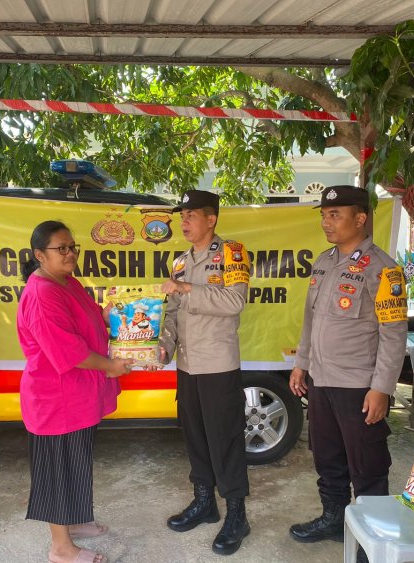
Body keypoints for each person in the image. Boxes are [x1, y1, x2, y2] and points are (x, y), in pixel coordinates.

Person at [288, 185, 408, 544]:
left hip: (359, 386)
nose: (327, 222)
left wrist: (382, 388)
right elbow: (310, 321)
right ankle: (334, 520)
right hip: (322, 382)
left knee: (368, 465)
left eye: (335, 215)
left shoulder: (384, 270)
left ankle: (374, 537)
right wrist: (301, 363)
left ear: (361, 218)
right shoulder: (323, 263)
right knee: (327, 458)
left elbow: (394, 333)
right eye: (324, 215)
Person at [17, 220, 134, 563]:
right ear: (39, 255)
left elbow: (86, 320)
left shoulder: (67, 282)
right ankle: (61, 548)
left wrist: (108, 313)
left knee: (78, 462)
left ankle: (77, 521)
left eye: (72, 247)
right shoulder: (41, 292)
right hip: (55, 400)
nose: (70, 254)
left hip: (77, 396)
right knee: (58, 469)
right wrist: (111, 367)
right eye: (61, 248)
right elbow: (67, 348)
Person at [159, 189, 252, 556]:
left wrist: (186, 288)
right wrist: (164, 345)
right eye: (181, 216)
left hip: (218, 366)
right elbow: (170, 313)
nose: (183, 222)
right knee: (195, 438)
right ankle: (204, 502)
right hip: (187, 365)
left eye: (191, 215)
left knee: (225, 442)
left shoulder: (232, 253)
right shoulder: (180, 261)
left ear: (211, 219)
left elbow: (234, 301)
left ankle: (237, 515)